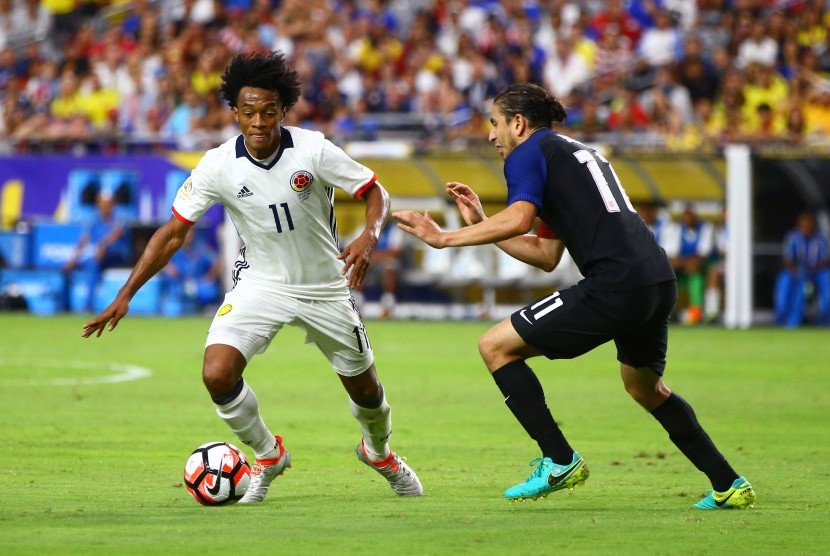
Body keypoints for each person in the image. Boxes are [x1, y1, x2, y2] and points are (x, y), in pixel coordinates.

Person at [393, 82, 755, 509]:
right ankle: (728, 483)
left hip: (616, 284)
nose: (491, 135)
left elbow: (519, 217)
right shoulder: (569, 153)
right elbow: (546, 254)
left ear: (518, 123)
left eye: (495, 124)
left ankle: (559, 459)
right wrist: (485, 222)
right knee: (645, 387)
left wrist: (446, 237)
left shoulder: (528, 153)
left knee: (494, 346)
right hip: (655, 280)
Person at [80, 51, 422, 502]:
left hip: (324, 286)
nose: (258, 121)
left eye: (268, 111)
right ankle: (267, 454)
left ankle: (378, 453)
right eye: (249, 111)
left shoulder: (313, 149)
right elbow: (172, 232)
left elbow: (375, 190)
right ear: (234, 113)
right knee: (217, 373)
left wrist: (369, 236)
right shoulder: (218, 165)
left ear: (283, 110)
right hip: (261, 283)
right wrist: (126, 293)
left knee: (367, 389)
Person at [63, 190, 132, 312]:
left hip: (117, 255)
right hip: (98, 256)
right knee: (87, 264)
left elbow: (116, 235)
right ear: (98, 204)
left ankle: (88, 305)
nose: (105, 206)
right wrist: (73, 259)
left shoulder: (120, 218)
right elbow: (84, 240)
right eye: (102, 203)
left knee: (97, 257)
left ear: (113, 204)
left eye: (108, 203)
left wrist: (103, 246)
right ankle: (73, 305)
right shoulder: (92, 219)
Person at [774, 211, 830, 327]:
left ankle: (825, 320)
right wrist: (799, 271)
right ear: (799, 226)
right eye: (804, 226)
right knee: (788, 280)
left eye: (808, 226)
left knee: (826, 276)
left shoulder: (820, 238)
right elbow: (787, 259)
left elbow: (826, 258)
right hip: (797, 270)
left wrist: (814, 268)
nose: (806, 228)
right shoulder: (793, 238)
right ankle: (789, 321)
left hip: (816, 271)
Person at [349, 220, 405, 319]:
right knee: (358, 265)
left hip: (382, 263)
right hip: (369, 263)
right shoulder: (362, 229)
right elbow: (356, 250)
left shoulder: (394, 230)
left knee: (391, 266)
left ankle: (387, 305)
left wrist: (371, 256)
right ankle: (357, 302)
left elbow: (394, 252)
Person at [160, 226, 223, 313]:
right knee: (172, 309)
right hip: (178, 285)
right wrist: (167, 267)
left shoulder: (201, 249)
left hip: (197, 285)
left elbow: (218, 262)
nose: (189, 234)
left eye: (191, 232)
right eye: (187, 231)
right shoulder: (172, 248)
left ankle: (204, 308)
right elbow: (159, 261)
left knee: (209, 290)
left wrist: (210, 277)